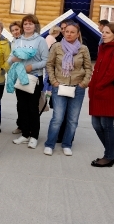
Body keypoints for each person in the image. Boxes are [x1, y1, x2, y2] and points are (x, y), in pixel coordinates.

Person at [44, 23, 92, 156]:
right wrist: (53, 81)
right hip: (59, 86)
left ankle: (67, 144)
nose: (69, 34)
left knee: (72, 119)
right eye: (67, 32)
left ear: (78, 34)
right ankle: (49, 144)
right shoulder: (57, 46)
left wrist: (84, 83)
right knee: (57, 118)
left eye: (72, 32)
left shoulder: (83, 49)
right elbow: (50, 64)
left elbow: (88, 67)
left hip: (78, 87)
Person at [88, 23, 114, 167]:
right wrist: (92, 85)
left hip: (108, 92)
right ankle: (111, 153)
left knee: (106, 125)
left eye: (107, 32)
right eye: (103, 32)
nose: (103, 34)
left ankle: (109, 156)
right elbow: (97, 69)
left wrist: (98, 85)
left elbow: (113, 72)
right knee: (96, 124)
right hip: (97, 91)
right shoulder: (103, 47)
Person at [8, 15, 48, 149]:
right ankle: (25, 134)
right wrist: (12, 60)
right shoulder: (18, 41)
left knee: (32, 108)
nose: (28, 26)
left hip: (34, 78)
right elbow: (10, 58)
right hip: (20, 77)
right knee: (22, 107)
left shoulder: (40, 40)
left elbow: (45, 60)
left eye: (31, 24)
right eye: (25, 24)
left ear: (35, 26)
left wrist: (32, 67)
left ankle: (34, 136)